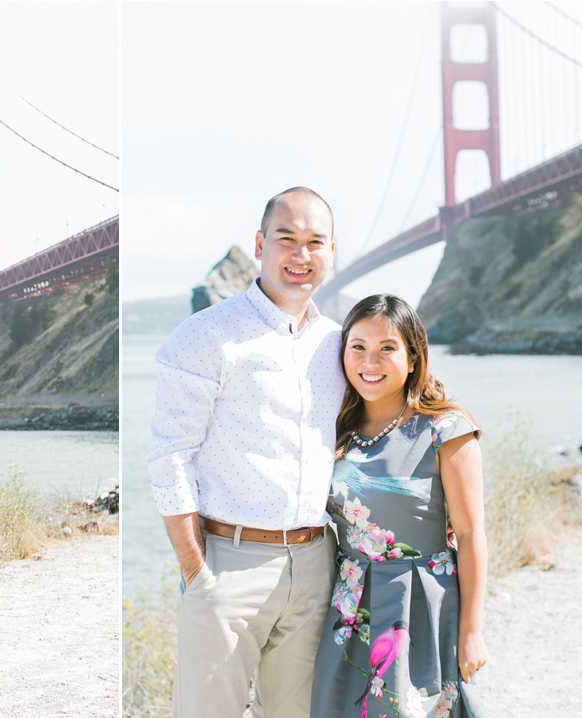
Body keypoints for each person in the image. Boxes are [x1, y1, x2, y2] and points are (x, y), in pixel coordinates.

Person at [148, 187, 346, 718]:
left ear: (331, 252)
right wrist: (197, 573)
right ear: (260, 244)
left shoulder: (340, 344)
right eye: (286, 239)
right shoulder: (207, 335)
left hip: (315, 564)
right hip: (228, 565)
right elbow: (170, 458)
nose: (300, 255)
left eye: (314, 242)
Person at [310, 294, 488, 718]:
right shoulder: (336, 429)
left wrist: (471, 631)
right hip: (350, 604)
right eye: (358, 347)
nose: (370, 361)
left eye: (387, 348)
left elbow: (469, 534)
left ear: (412, 357)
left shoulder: (446, 429)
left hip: (424, 605)